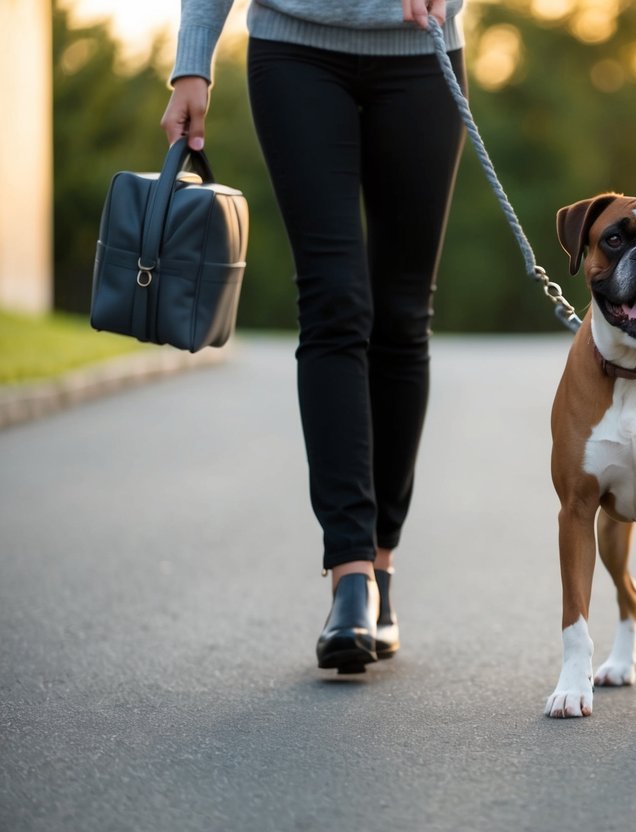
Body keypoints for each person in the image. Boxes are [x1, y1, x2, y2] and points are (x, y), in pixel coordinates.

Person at [161, 0, 466, 674]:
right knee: (333, 302)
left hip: (420, 54)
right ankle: (350, 578)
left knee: (401, 314)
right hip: (294, 54)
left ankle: (380, 566)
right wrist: (193, 64)